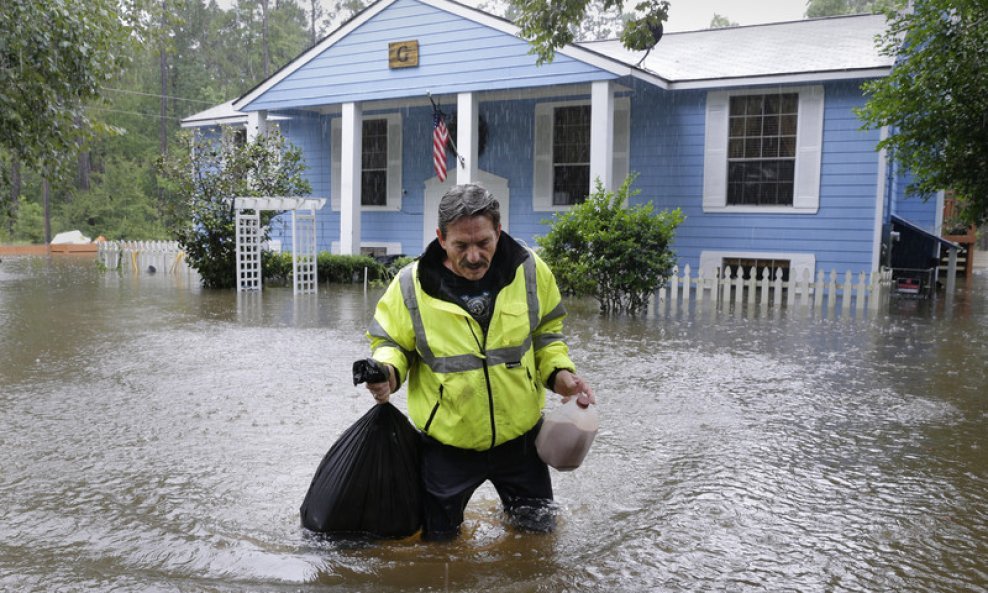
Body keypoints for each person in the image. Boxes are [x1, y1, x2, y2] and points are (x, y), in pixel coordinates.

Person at [364, 183, 595, 541]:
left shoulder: (531, 271)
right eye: (461, 245)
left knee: (537, 540)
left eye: (484, 243)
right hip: (446, 447)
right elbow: (392, 343)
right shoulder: (410, 286)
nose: (474, 256)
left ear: (498, 232)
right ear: (441, 238)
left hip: (522, 442)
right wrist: (387, 373)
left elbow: (547, 335)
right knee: (440, 547)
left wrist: (561, 375)